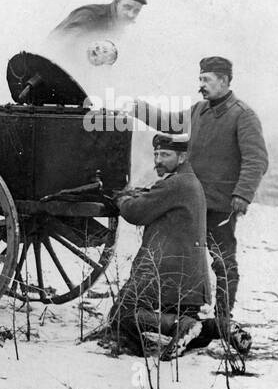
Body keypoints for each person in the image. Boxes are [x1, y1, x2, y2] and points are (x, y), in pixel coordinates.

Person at [132, 56, 268, 338]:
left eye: (206, 80)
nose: (201, 86)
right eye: (200, 79)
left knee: (223, 260)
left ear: (224, 80)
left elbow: (256, 160)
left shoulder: (243, 115)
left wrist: (242, 194)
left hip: (220, 204)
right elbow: (169, 122)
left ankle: (222, 320)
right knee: (182, 256)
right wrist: (140, 109)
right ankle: (183, 314)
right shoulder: (198, 111)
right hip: (191, 202)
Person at [108, 134, 209, 359]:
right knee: (196, 330)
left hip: (166, 271)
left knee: (121, 315)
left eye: (165, 154)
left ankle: (181, 325)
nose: (158, 160)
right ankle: (222, 329)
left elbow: (136, 212)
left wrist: (122, 199)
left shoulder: (176, 183)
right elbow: (156, 198)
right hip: (190, 280)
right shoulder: (187, 181)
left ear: (182, 156)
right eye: (156, 154)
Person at [50, 0, 147, 39]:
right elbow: (64, 42)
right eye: (127, 7)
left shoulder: (118, 28)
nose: (131, 14)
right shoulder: (91, 14)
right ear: (117, 3)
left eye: (136, 11)